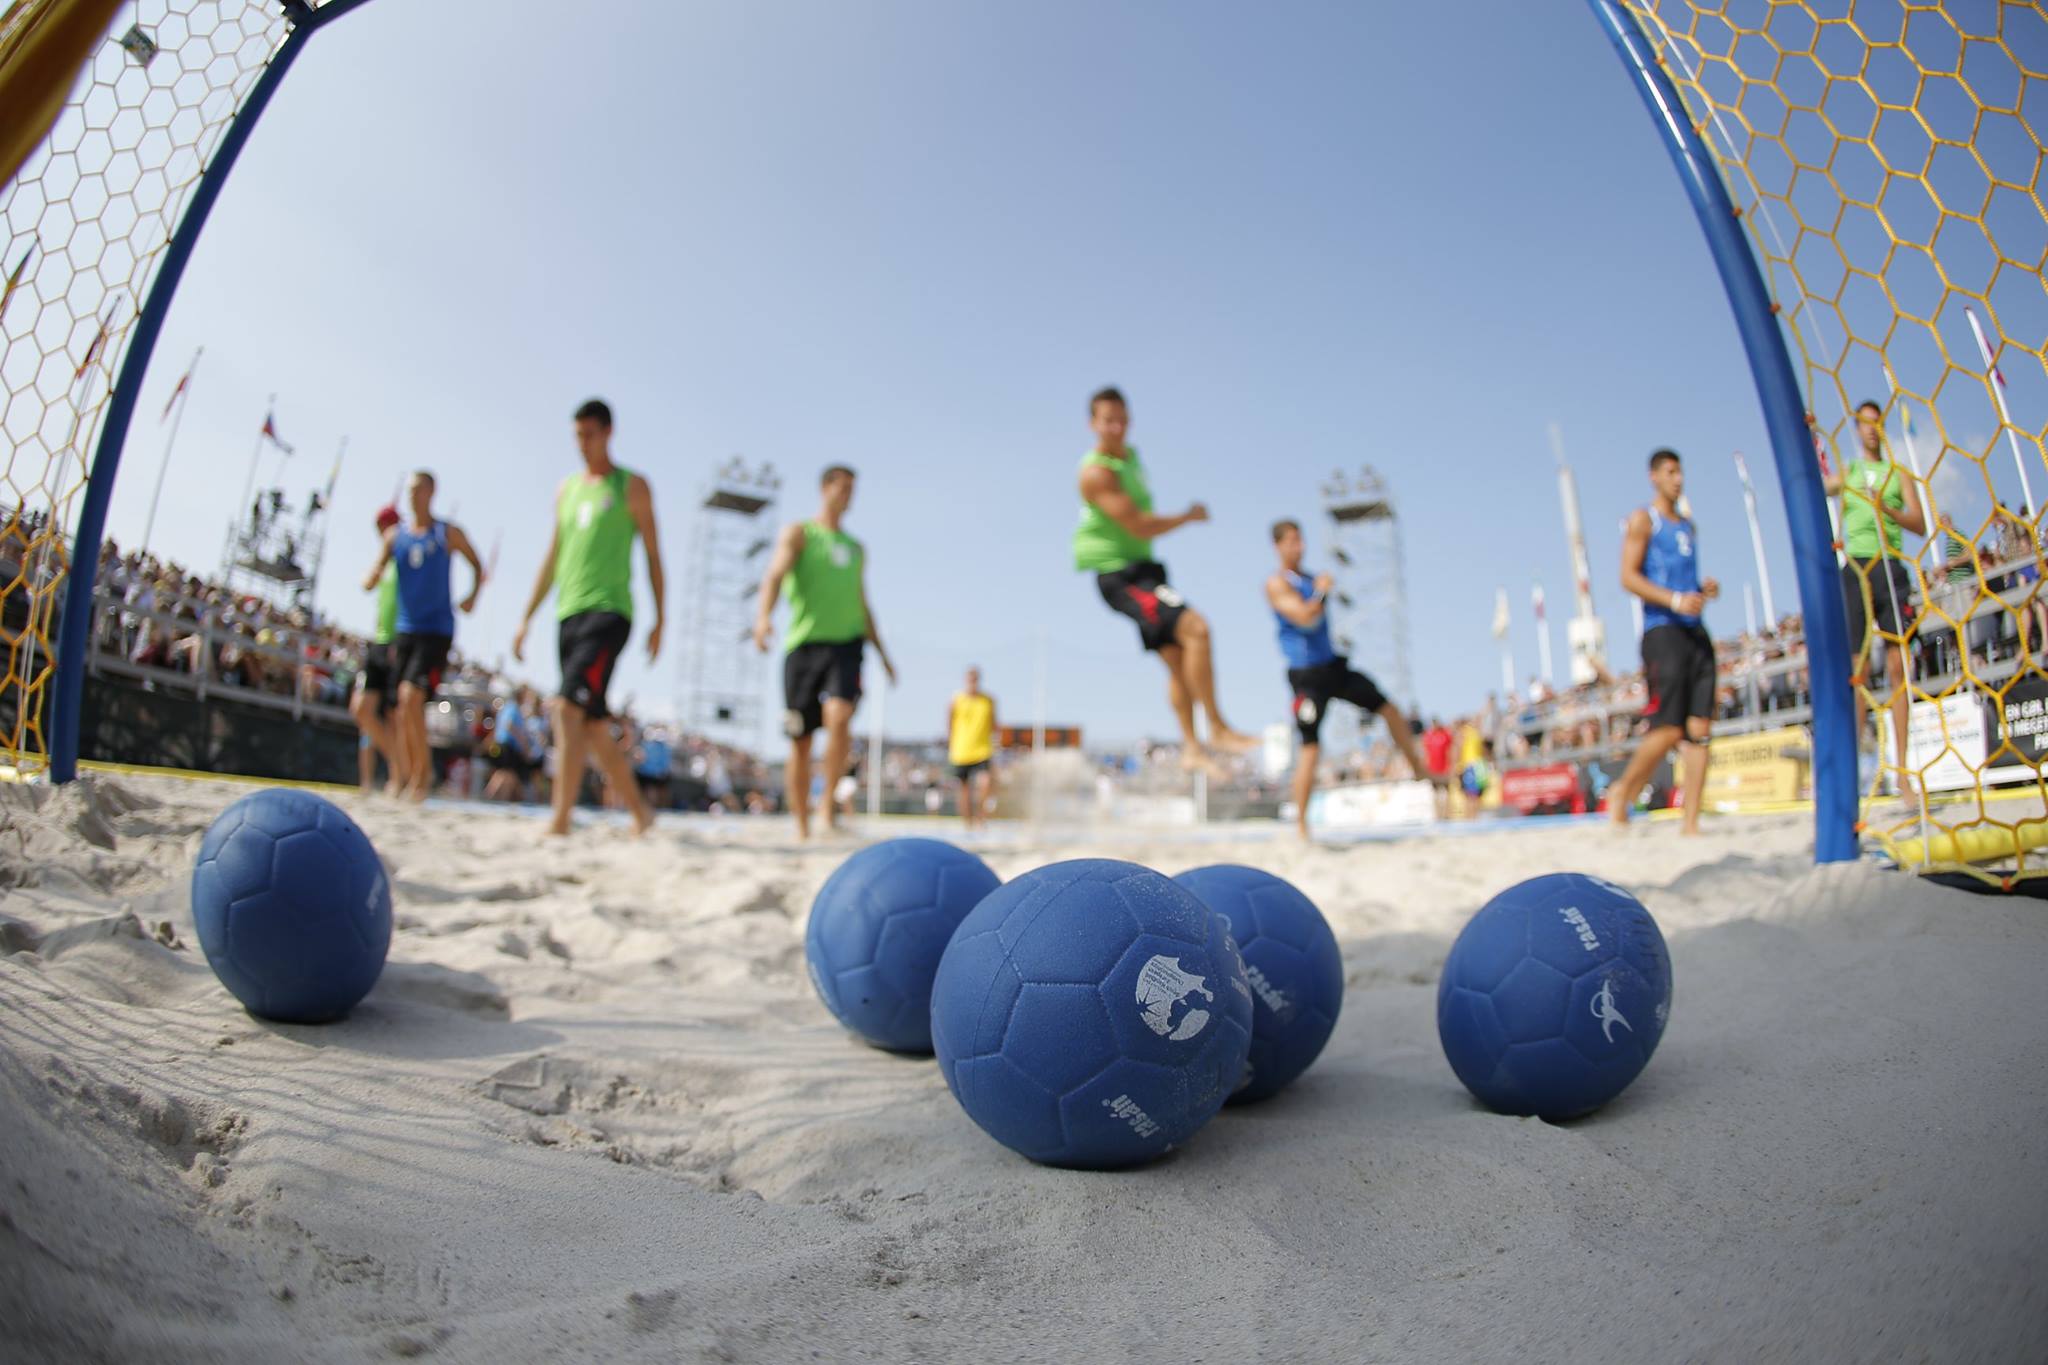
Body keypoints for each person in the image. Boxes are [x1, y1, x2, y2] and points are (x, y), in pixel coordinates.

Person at [1074, 387, 1254, 778]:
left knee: (1178, 660)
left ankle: (1192, 748)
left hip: (1145, 569)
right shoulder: (1096, 473)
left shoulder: (1131, 457)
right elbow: (1138, 524)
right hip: (1120, 575)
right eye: (1108, 420)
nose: (1117, 427)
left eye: (1122, 418)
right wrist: (1187, 517)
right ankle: (1218, 728)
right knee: (1198, 628)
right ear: (1093, 425)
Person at [511, 398, 666, 836]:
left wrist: (661, 617)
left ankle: (560, 819)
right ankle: (641, 814)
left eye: (589, 435)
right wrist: (526, 616)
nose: (582, 444)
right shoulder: (567, 489)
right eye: (577, 435)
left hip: (610, 610)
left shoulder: (632, 486)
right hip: (568, 612)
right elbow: (553, 555)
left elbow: (654, 553)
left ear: (608, 433)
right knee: (593, 726)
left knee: (563, 707)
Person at [753, 464, 895, 839]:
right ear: (825, 488)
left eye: (853, 489)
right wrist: (763, 617)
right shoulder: (800, 533)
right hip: (804, 646)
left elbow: (863, 605)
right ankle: (801, 822)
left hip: (846, 646)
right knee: (800, 742)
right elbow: (774, 575)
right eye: (843, 487)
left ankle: (826, 805)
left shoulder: (856, 548)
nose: (848, 495)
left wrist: (883, 653)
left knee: (840, 716)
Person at [1265, 519, 1428, 840]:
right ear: (1278, 546)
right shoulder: (1277, 584)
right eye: (1293, 541)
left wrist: (1320, 589)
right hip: (1306, 676)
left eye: (1301, 539)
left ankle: (1422, 773)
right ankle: (1301, 825)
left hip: (1332, 668)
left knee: (1389, 708)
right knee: (1311, 746)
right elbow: (1306, 618)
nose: (1300, 546)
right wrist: (1323, 593)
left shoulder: (1310, 579)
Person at [1611, 449, 1721, 834]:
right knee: (1668, 728)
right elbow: (1628, 576)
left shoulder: (1687, 526)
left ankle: (1690, 823)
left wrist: (1703, 589)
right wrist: (1674, 599)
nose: (1678, 479)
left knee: (1699, 728)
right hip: (1662, 630)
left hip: (1695, 629)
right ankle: (1623, 790)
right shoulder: (1645, 520)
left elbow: (1686, 582)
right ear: (1654, 476)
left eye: (1680, 472)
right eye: (1670, 472)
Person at [1824, 401, 1926, 797]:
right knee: (1858, 671)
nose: (1871, 430)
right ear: (1856, 428)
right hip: (1857, 568)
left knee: (1900, 669)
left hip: (1891, 567)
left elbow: (1919, 523)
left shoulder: (1897, 475)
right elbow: (1818, 485)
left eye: (1876, 423)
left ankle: (1902, 772)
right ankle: (1855, 769)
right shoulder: (1848, 472)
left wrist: (1886, 506)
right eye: (1864, 423)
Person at [362, 472, 483, 803]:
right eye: (411, 490)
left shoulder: (447, 533)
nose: (414, 495)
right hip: (405, 631)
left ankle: (423, 775)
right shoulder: (395, 538)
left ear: (432, 492)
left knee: (411, 697)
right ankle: (406, 774)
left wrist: (473, 595)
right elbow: (375, 568)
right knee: (401, 709)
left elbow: (477, 563)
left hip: (437, 630)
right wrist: (370, 577)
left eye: (419, 489)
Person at [350, 505, 404, 794]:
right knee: (362, 711)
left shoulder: (406, 560)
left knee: (395, 716)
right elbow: (367, 586)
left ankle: (397, 777)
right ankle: (381, 774)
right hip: (379, 641)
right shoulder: (383, 564)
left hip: (398, 640)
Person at [947, 666, 997, 829]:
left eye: (975, 679)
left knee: (985, 783)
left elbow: (994, 724)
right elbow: (949, 723)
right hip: (961, 750)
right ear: (966, 680)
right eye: (970, 679)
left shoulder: (988, 700)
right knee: (964, 789)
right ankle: (967, 822)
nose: (973, 682)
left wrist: (996, 742)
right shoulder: (956, 700)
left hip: (982, 749)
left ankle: (980, 819)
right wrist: (951, 744)